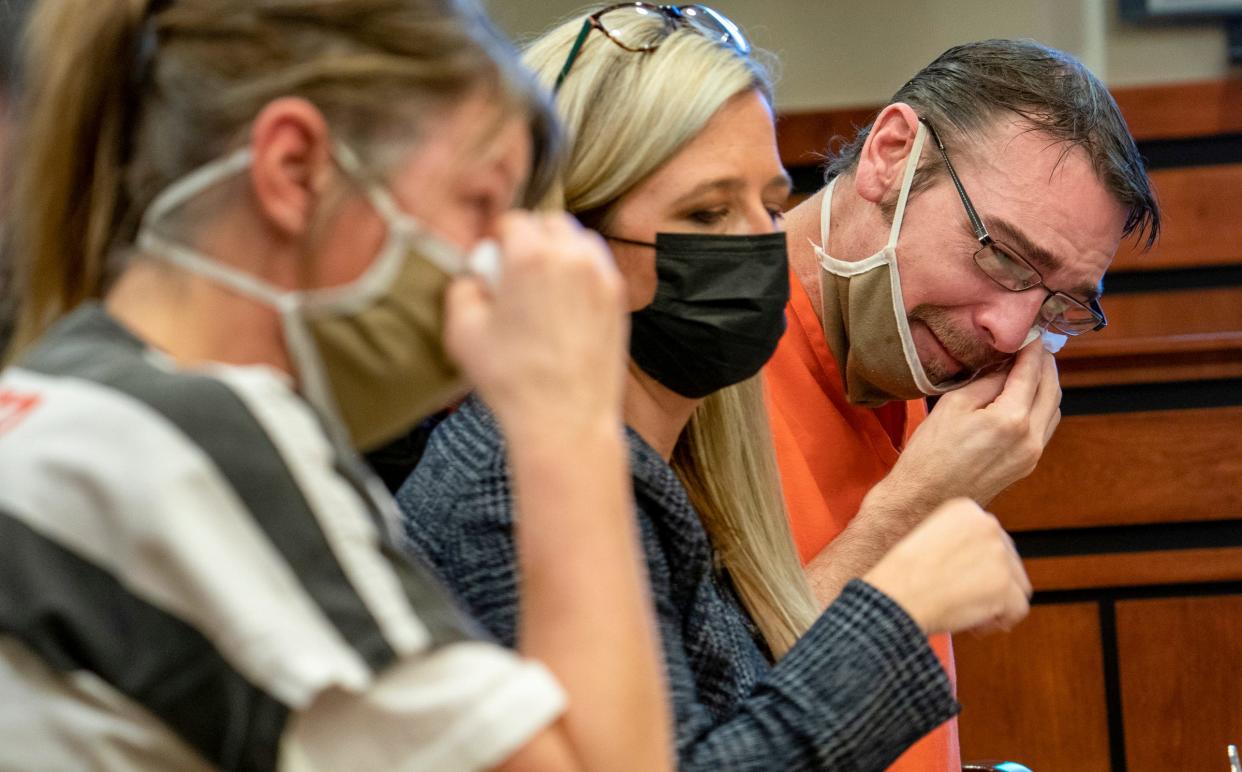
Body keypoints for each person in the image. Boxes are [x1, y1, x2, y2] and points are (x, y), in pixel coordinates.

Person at [0, 1, 673, 770]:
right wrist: (570, 420)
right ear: (294, 169)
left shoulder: (57, 398)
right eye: (480, 204)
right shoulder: (201, 444)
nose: (496, 259)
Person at [399, 6, 1032, 771]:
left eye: (767, 205)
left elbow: (727, 719)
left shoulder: (665, 469)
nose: (758, 247)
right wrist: (896, 614)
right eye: (706, 212)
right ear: (562, 238)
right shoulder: (520, 482)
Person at [764, 38, 1161, 769]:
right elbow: (703, 728)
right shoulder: (695, 354)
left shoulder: (916, 358)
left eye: (1060, 303)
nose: (1010, 331)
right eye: (1004, 256)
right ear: (890, 155)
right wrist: (914, 508)